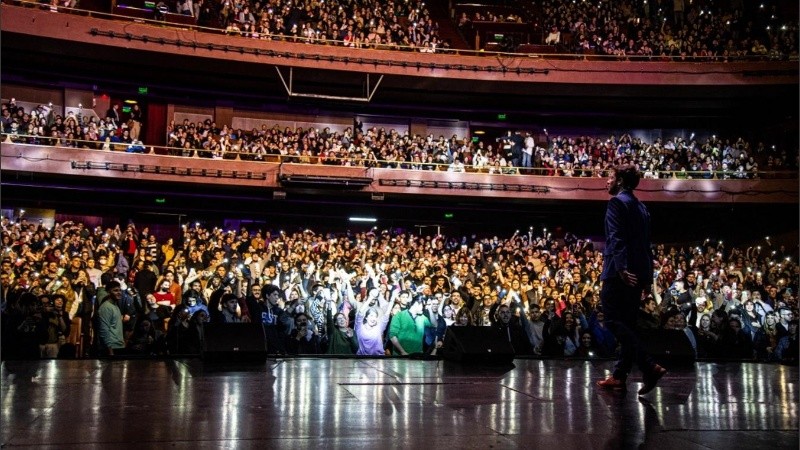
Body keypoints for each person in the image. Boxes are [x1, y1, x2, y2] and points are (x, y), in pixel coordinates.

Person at [596, 164, 666, 395]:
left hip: (620, 273)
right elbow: (646, 245)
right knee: (627, 324)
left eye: (610, 177)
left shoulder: (617, 203)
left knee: (613, 321)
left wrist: (622, 268)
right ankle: (619, 375)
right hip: (638, 273)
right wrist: (646, 278)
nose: (607, 181)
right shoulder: (642, 207)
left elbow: (616, 238)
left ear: (621, 181)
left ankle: (649, 366)